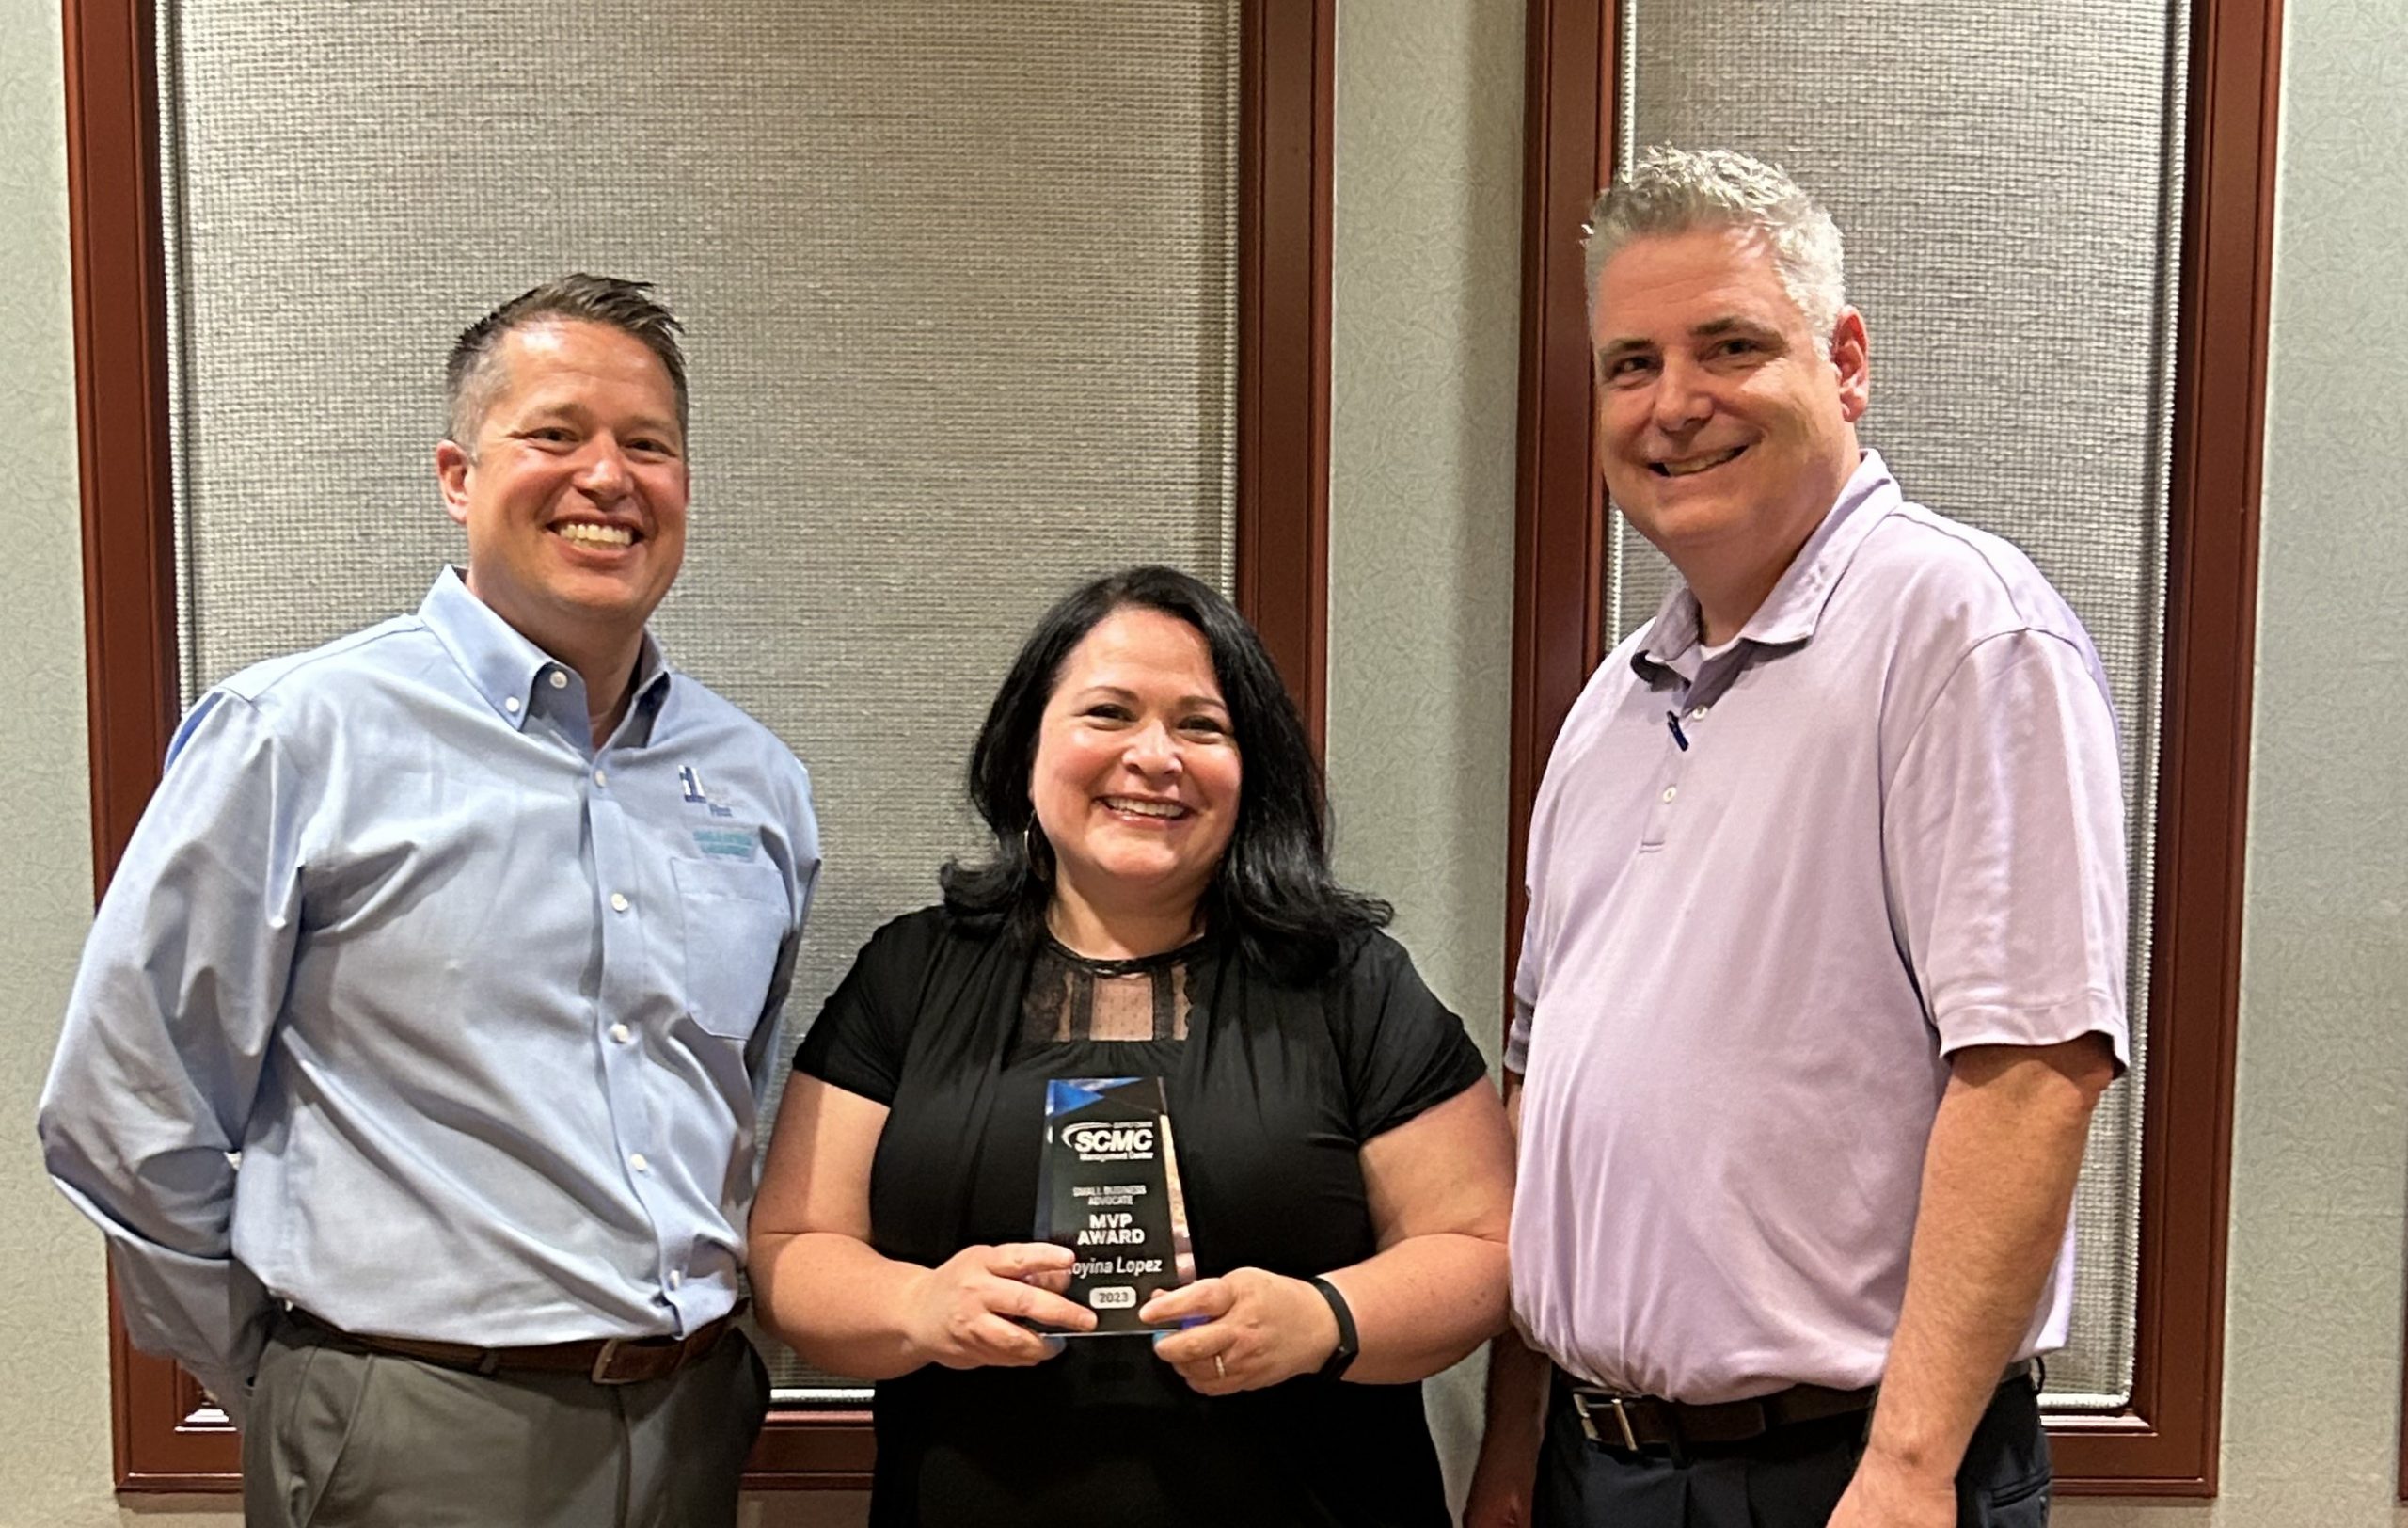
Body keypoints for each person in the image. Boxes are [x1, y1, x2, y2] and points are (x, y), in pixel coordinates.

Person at [38, 275, 817, 1528]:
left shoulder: (757, 783)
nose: (607, 477)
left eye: (648, 446)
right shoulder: (298, 736)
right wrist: (299, 1377)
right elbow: (125, 1111)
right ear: (458, 478)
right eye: (556, 434)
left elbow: (733, 1110)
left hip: (691, 1426)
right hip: (406, 1425)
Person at [1464, 149, 2129, 1528]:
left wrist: (1905, 1472)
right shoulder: (1607, 711)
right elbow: (1549, 1107)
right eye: (1630, 363)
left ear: (1845, 362)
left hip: (1840, 1473)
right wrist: (1517, 1460)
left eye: (1730, 346)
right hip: (1606, 1469)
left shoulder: (1960, 633)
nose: (1673, 404)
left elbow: (2032, 1071)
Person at [750, 565, 1513, 1528]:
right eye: (1108, 712)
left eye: (1201, 725)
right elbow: (789, 1247)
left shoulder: (1347, 981)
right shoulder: (911, 972)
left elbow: (1484, 1249)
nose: (1155, 756)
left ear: (1253, 769)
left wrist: (1323, 1319)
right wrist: (917, 1305)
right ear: (1027, 744)